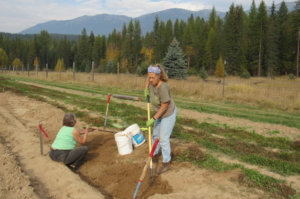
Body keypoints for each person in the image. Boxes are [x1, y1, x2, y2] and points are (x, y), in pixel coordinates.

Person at [144, 64, 177, 175]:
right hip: (159, 113)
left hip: (167, 113)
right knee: (155, 136)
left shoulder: (164, 87)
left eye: (153, 77)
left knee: (163, 138)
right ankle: (154, 155)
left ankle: (166, 163)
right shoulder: (151, 80)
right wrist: (145, 89)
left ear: (160, 76)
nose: (151, 79)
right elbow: (148, 79)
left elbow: (164, 107)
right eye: (150, 77)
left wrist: (153, 119)